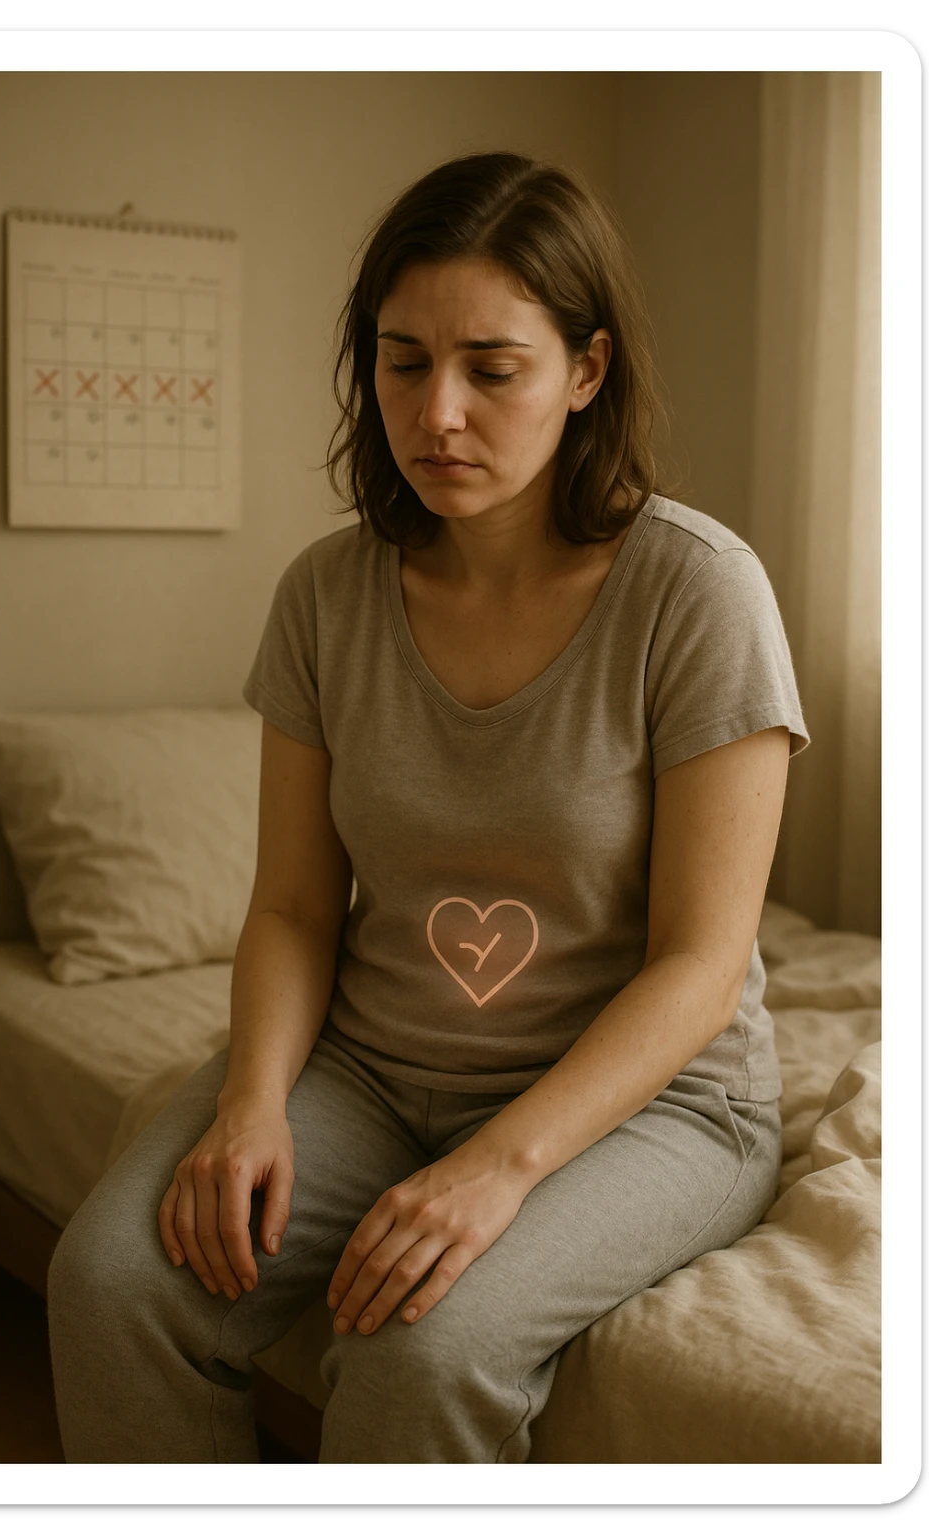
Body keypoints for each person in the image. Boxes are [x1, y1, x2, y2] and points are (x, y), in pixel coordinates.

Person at [47, 151, 809, 1464]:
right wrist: (250, 1103)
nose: (438, 411)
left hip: (657, 1104)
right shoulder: (326, 598)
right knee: (114, 1280)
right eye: (403, 361)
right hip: (377, 1064)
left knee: (418, 1346)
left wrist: (497, 1169)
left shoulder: (700, 595)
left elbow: (698, 967)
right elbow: (290, 905)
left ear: (586, 371)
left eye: (491, 369)